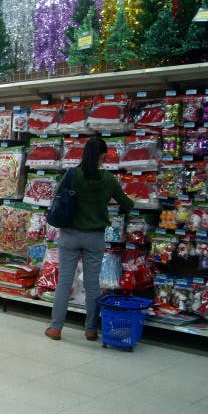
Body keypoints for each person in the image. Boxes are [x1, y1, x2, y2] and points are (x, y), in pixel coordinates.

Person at [46, 137, 134, 341]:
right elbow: (127, 205)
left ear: (84, 153)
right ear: (103, 156)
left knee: (64, 282)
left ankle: (56, 328)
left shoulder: (72, 175)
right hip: (95, 237)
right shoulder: (109, 179)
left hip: (69, 235)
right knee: (93, 284)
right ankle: (91, 329)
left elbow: (57, 200)